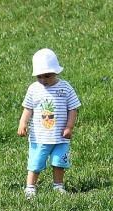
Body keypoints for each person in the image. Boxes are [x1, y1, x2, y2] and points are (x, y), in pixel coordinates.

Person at [17, 48, 81, 199]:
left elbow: (73, 108)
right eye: (40, 76)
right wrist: (22, 123)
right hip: (40, 137)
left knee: (59, 162)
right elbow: (28, 109)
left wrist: (69, 127)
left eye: (47, 76)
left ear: (56, 72)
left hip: (60, 137)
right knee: (35, 163)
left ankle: (58, 186)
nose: (44, 80)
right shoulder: (34, 89)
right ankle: (30, 187)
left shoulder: (65, 88)